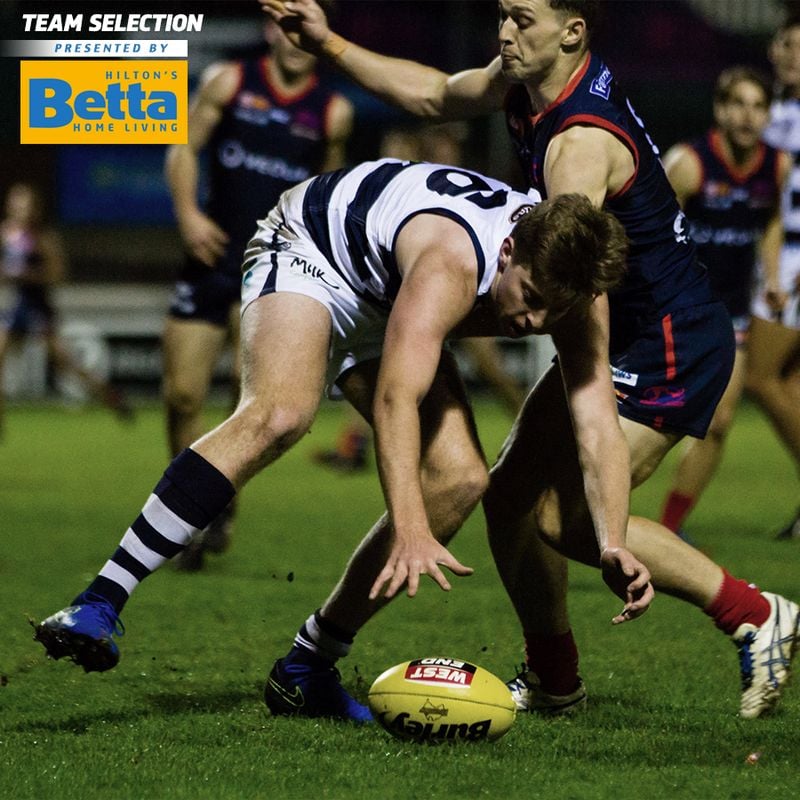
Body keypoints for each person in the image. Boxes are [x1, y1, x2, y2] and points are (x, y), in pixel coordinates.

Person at [261, 0, 800, 719]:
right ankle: (555, 681)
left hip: (662, 339)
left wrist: (438, 316)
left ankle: (755, 613)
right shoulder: (532, 81)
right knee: (511, 499)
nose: (504, 32)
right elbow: (433, 93)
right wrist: (329, 45)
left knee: (569, 522)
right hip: (625, 325)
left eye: (521, 19)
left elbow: (567, 291)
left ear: (572, 33)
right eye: (502, 15)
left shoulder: (577, 148)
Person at [33, 160, 641, 723]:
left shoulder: (577, 295)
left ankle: (307, 666)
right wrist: (408, 526)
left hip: (389, 297)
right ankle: (99, 600)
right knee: (280, 413)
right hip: (316, 248)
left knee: (460, 481)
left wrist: (611, 539)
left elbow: (596, 423)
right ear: (508, 251)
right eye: (529, 298)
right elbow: (394, 399)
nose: (533, 321)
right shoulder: (452, 263)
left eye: (552, 312)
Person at [163, 14, 354, 567]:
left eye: (306, 30)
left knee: (246, 404)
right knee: (181, 396)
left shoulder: (331, 112)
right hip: (210, 257)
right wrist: (188, 215)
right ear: (272, 30)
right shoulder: (229, 81)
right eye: (286, 28)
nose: (295, 41)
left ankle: (208, 509)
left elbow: (327, 192)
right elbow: (183, 148)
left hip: (271, 270)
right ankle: (191, 505)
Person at [314, 124, 525, 472]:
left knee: (492, 371)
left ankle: (522, 431)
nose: (449, 148)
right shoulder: (416, 176)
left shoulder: (464, 181)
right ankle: (355, 447)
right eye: (444, 140)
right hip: (420, 295)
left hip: (463, 294)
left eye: (454, 142)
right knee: (379, 369)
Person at [659, 67, 790, 536]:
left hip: (730, 312)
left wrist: (772, 275)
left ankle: (670, 526)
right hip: (675, 309)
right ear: (720, 109)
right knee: (650, 415)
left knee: (719, 423)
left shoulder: (777, 165)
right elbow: (653, 232)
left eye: (758, 106)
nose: (747, 116)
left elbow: (771, 219)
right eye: (738, 104)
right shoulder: (689, 163)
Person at [0, 183, 132, 435]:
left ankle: (111, 396)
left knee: (66, 364)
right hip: (17, 305)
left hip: (38, 306)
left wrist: (27, 274)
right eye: (15, 203)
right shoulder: (7, 233)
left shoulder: (43, 238)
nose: (19, 209)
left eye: (25, 204)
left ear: (35, 209)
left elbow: (58, 273)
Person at [749, 15, 800, 541]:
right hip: (775, 255)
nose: (788, 53)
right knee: (789, 384)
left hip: (794, 263)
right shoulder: (772, 110)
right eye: (784, 43)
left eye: (798, 47)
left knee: (762, 380)